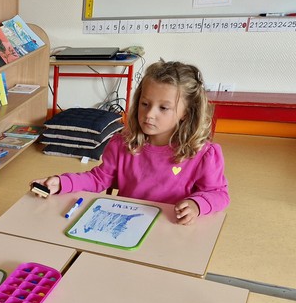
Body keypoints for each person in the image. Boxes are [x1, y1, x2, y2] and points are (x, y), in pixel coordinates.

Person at [32, 60, 229, 225]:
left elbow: (219, 194)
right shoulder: (122, 144)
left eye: (163, 108)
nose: (149, 114)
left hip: (169, 229)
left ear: (186, 112)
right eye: (145, 104)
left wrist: (197, 205)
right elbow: (98, 179)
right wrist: (62, 182)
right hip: (124, 224)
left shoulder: (203, 154)